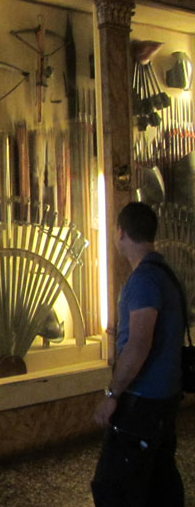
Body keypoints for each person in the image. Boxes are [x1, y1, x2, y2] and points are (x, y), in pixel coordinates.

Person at [91, 202, 185, 506]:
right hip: (165, 397)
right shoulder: (165, 272)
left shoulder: (144, 279)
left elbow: (139, 343)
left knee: (114, 488)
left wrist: (112, 394)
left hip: (143, 402)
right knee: (160, 483)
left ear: (120, 232)